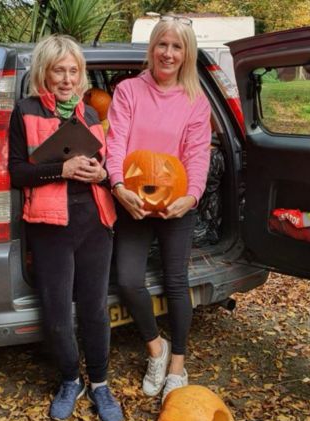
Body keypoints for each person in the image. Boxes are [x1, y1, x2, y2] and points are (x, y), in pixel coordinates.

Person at [7, 35, 123, 421]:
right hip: (51, 225)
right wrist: (62, 169)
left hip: (94, 221)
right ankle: (70, 379)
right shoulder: (25, 111)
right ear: (44, 71)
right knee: (57, 312)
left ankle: (101, 385)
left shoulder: (90, 115)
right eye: (59, 70)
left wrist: (101, 172)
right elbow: (18, 173)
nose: (67, 78)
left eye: (74, 71)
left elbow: (104, 168)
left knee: (94, 310)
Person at [105, 17, 212, 401]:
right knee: (128, 279)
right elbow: (114, 143)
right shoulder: (128, 91)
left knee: (176, 282)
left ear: (187, 54)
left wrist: (192, 196)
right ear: (151, 49)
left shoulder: (195, 101)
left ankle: (178, 366)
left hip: (177, 203)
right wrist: (117, 186)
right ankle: (156, 348)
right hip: (132, 200)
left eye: (177, 47)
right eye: (162, 45)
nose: (168, 53)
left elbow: (197, 154)